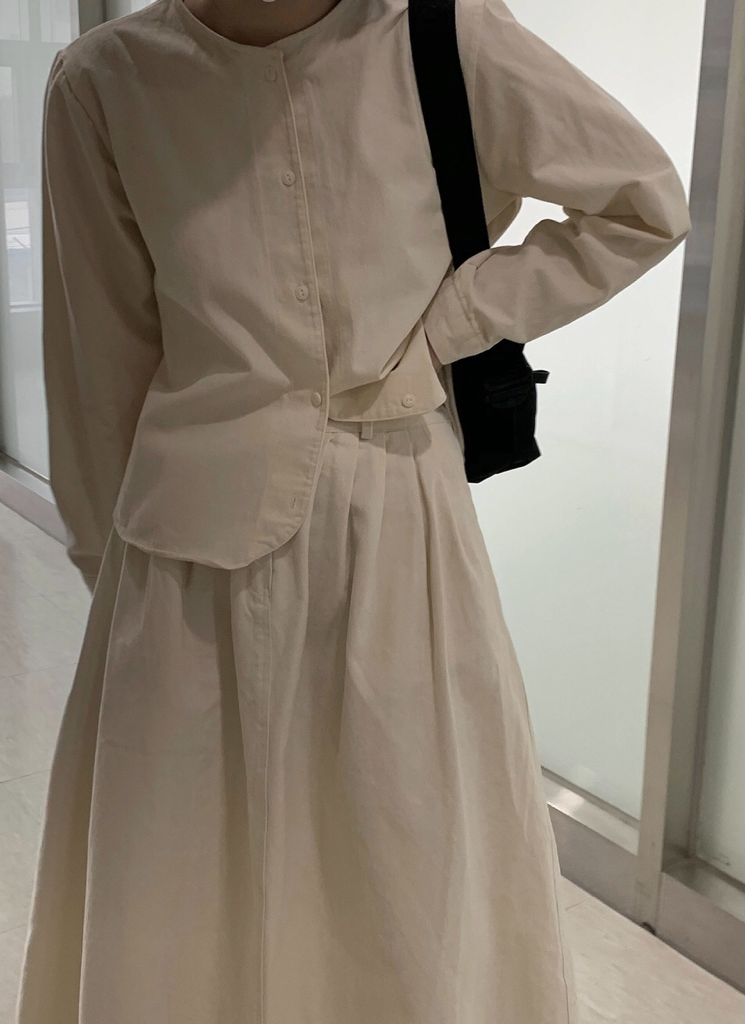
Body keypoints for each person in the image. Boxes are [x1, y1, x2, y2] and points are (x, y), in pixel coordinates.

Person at [16, 0, 691, 1020]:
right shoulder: (103, 82)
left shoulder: (435, 33)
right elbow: (99, 365)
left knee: (397, 873)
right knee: (194, 900)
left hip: (387, 534)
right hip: (188, 563)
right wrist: (113, 576)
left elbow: (642, 203)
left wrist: (449, 325)